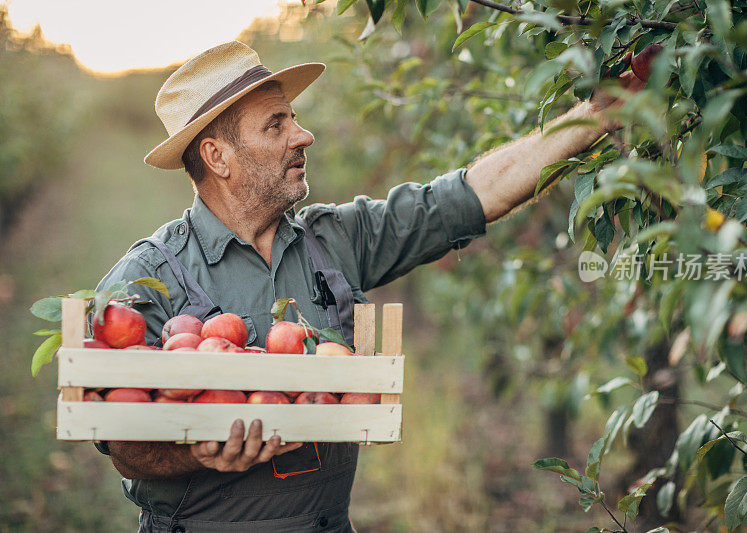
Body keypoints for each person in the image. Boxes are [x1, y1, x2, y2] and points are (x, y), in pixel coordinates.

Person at [94, 41, 641, 532]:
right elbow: (120, 443)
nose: (302, 136)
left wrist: (596, 114)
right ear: (217, 156)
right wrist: (197, 448)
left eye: (295, 119)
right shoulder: (151, 277)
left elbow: (467, 199)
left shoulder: (333, 241)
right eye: (276, 125)